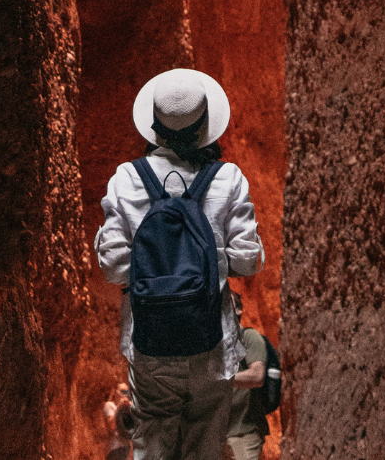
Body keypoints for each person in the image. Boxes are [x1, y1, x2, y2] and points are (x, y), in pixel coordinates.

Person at [96, 68, 265, 460]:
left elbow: (114, 268)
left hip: (150, 342)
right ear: (206, 125)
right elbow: (248, 259)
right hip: (212, 341)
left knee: (152, 448)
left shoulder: (126, 179)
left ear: (155, 126)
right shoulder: (228, 179)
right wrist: (208, 263)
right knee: (205, 449)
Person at [225, 295, 271, 460]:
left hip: (244, 433)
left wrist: (219, 381)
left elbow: (257, 376)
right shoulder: (213, 347)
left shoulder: (249, 337)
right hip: (216, 437)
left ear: (239, 310)